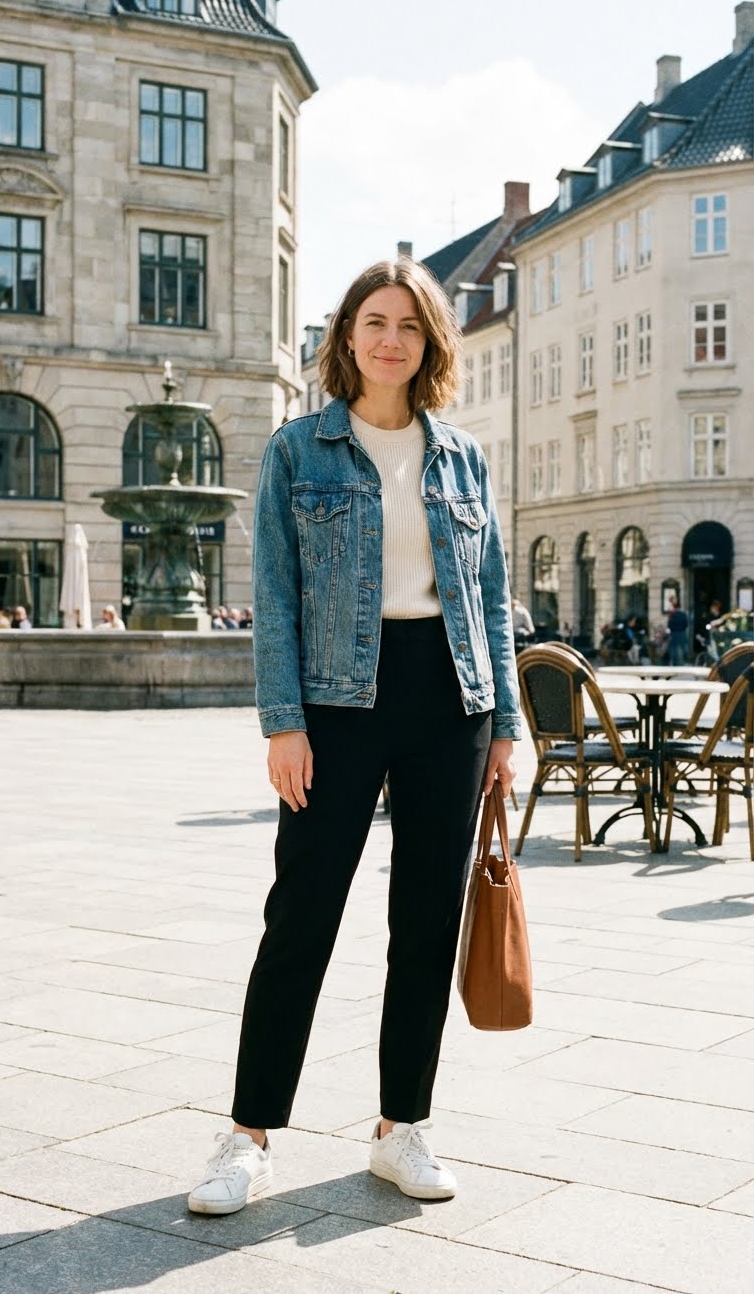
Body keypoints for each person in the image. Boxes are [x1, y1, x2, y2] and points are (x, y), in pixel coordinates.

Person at [188, 258, 521, 1215]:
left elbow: (489, 596)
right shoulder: (299, 449)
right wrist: (283, 722)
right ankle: (247, 1135)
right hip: (337, 702)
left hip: (446, 699)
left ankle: (400, 1126)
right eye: (374, 321)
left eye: (409, 325)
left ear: (431, 344)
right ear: (345, 336)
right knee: (301, 917)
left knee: (424, 922)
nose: (390, 339)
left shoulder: (462, 456)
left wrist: (500, 722)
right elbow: (277, 597)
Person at [667, 596, 689, 665]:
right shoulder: (683, 614)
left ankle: (675, 663)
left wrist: (672, 629)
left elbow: (669, 624)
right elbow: (686, 624)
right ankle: (685, 661)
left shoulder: (672, 614)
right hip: (681, 632)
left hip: (674, 633)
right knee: (684, 647)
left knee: (673, 648)